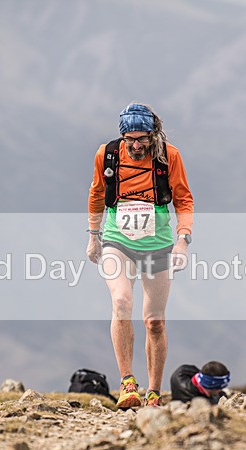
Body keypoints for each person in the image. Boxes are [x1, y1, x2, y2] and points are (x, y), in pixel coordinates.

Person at [86, 103, 194, 409]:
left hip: (158, 244)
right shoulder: (106, 155)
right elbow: (96, 195)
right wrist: (93, 237)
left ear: (153, 134)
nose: (136, 145)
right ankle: (127, 384)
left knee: (154, 322)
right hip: (117, 240)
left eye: (142, 139)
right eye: (130, 139)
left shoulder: (168, 157)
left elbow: (184, 200)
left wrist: (182, 241)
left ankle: (154, 393)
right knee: (121, 302)